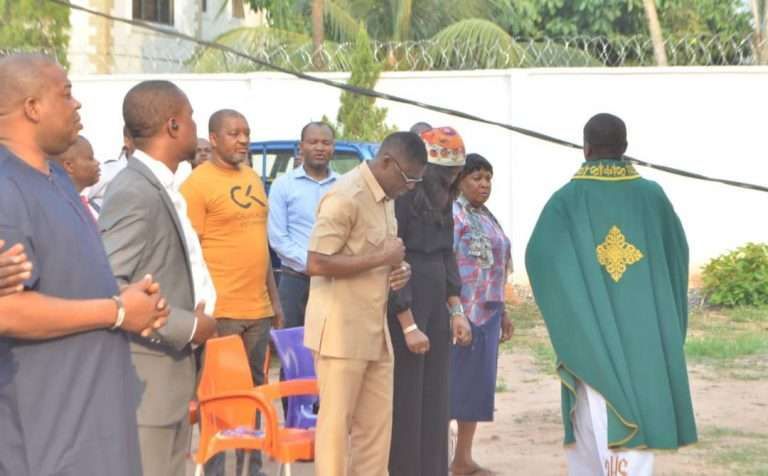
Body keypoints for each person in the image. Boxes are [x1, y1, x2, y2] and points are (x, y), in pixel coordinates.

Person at [0, 53, 168, 476]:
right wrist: (119, 312)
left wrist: (130, 301)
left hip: (94, 423)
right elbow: (7, 311)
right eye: (67, 94)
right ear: (32, 108)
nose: (77, 105)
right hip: (46, 439)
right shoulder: (6, 190)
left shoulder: (56, 177)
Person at [525, 113, 697, 476]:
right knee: (632, 421)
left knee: (594, 420)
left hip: (592, 342)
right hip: (646, 337)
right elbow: (676, 256)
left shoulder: (566, 200)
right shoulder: (653, 197)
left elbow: (539, 259)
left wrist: (574, 319)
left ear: (585, 148)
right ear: (624, 149)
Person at [99, 80, 219, 476]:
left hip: (172, 380)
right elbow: (107, 285)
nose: (195, 127)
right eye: (191, 118)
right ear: (172, 125)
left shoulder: (163, 186)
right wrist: (188, 327)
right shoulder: (134, 190)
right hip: (147, 386)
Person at [304, 131, 427, 476]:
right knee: (335, 431)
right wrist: (380, 257)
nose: (411, 187)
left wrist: (396, 269)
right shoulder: (345, 196)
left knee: (375, 432)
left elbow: (380, 257)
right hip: (340, 335)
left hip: (375, 332)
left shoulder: (386, 198)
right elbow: (315, 262)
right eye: (409, 178)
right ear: (387, 162)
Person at [181, 109, 284, 476]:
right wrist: (199, 311)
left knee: (257, 394)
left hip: (257, 311)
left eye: (246, 133)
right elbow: (189, 253)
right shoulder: (196, 185)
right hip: (219, 312)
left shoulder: (254, 179)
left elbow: (260, 246)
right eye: (233, 133)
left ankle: (251, 469)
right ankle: (215, 470)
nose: (242, 140)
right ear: (213, 138)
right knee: (219, 399)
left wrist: (274, 301)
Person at [387, 126, 472, 476]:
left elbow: (447, 256)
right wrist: (407, 322)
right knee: (407, 396)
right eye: (447, 174)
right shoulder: (403, 199)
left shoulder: (446, 199)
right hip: (407, 300)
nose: (452, 181)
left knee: (437, 396)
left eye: (456, 174)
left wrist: (456, 310)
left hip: (438, 301)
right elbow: (394, 263)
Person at [449, 153, 514, 476]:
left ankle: (462, 459)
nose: (484, 184)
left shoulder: (487, 217)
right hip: (461, 314)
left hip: (488, 315)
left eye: (488, 178)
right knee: (452, 388)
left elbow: (498, 268)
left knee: (475, 390)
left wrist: (503, 311)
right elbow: (445, 267)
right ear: (460, 179)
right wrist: (454, 311)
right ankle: (436, 458)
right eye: (477, 178)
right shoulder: (453, 215)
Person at [268, 121, 338, 328]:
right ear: (301, 147)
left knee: (332, 347)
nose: (319, 148)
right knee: (293, 350)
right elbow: (278, 238)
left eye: (326, 142)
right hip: (295, 280)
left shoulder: (344, 186)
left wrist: (332, 266)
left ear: (333, 147)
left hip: (334, 281)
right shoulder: (283, 185)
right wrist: (312, 264)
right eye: (313, 142)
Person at [51, 134, 101, 220]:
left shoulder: (91, 206)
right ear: (69, 166)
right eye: (90, 158)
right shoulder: (56, 209)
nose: (97, 162)